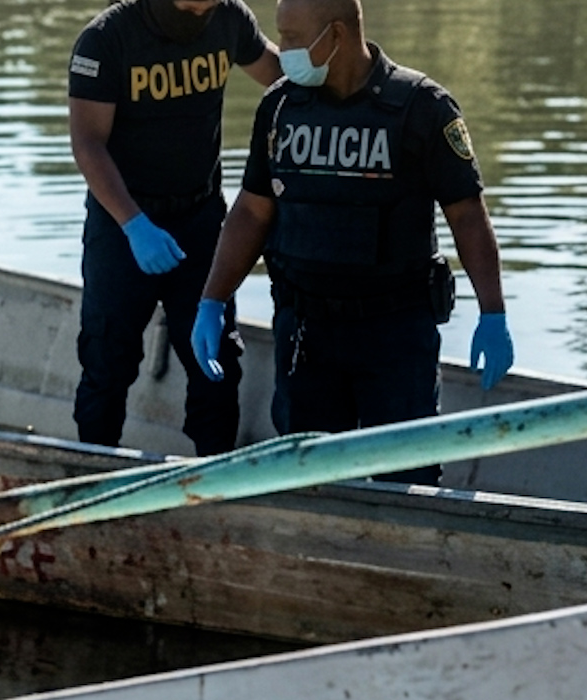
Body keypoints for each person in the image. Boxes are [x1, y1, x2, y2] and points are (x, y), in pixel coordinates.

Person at [193, 0, 513, 485]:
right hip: (305, 333)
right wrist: (212, 300)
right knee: (308, 481)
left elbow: (466, 215)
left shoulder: (421, 107)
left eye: (296, 39)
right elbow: (253, 210)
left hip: (395, 334)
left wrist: (493, 313)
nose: (287, 51)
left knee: (407, 480)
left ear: (336, 35)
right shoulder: (280, 107)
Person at [68, 0, 281, 456]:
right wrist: (133, 223)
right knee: (107, 364)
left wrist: (338, 70)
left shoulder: (229, 19)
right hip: (124, 225)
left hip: (201, 221)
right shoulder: (107, 38)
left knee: (217, 362)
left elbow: (280, 76)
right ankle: (92, 478)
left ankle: (215, 483)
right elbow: (87, 143)